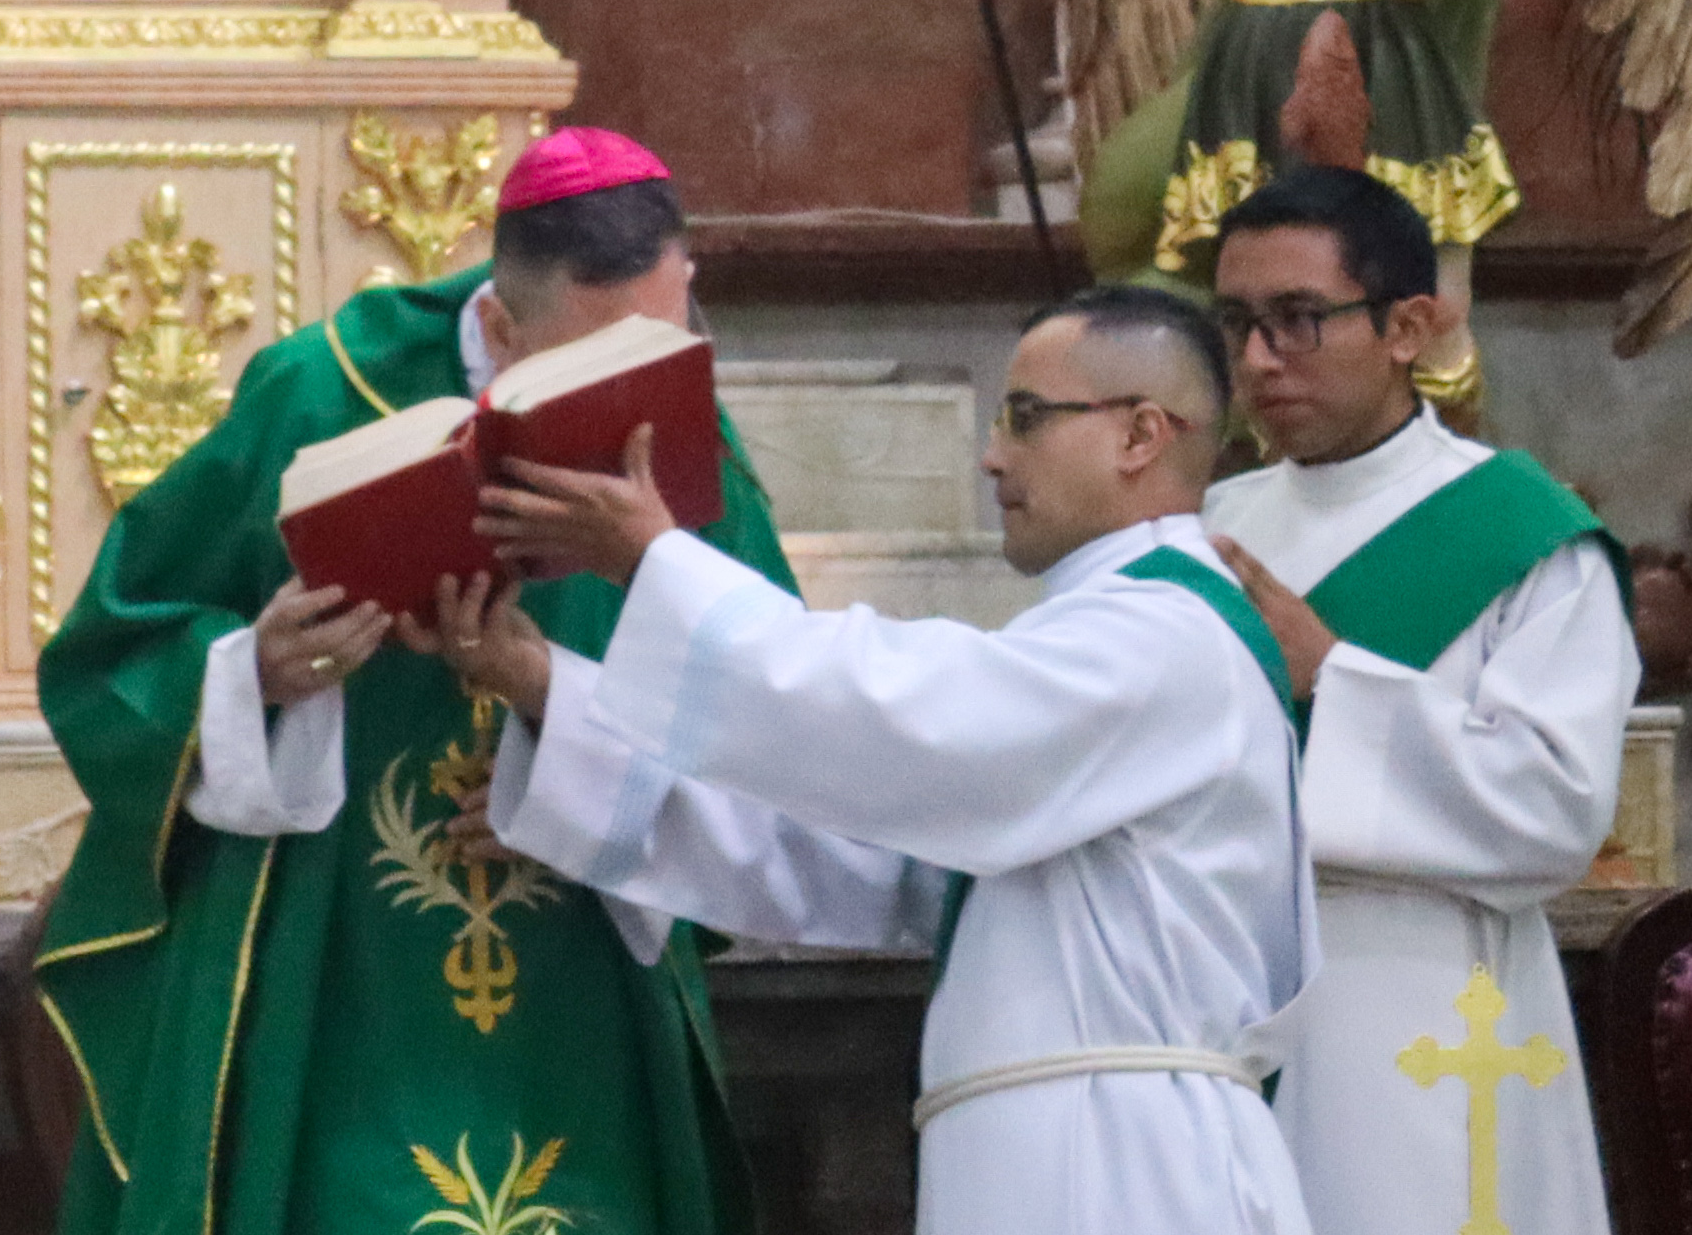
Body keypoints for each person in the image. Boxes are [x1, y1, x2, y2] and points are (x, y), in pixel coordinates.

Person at [414, 286, 1321, 1235]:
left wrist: (659, 563)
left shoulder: (1170, 634)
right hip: (1060, 1148)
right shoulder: (1096, 650)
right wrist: (544, 686)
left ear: (1140, 436)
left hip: (1129, 1169)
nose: (990, 454)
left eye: (1024, 418)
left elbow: (904, 715)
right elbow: (846, 855)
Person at [33, 128, 796, 1235]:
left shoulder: (684, 450)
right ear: (495, 320)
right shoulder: (316, 393)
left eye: (661, 347)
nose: (626, 396)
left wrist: (561, 738)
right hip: (334, 968)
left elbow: (768, 716)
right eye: (578, 360)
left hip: (576, 970)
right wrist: (258, 670)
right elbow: (113, 654)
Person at [1202, 165, 1639, 1235]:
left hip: (1419, 1008)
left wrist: (1328, 678)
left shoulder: (1521, 536)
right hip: (1222, 1004)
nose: (1259, 359)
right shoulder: (1213, 521)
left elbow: (1552, 810)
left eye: (1298, 319)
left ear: (1408, 325)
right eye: (1237, 324)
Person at [1076, 0, 1529, 421]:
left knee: (1429, 310)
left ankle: (1429, 491)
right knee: (1257, 297)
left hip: (1383, 58)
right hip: (1256, 64)